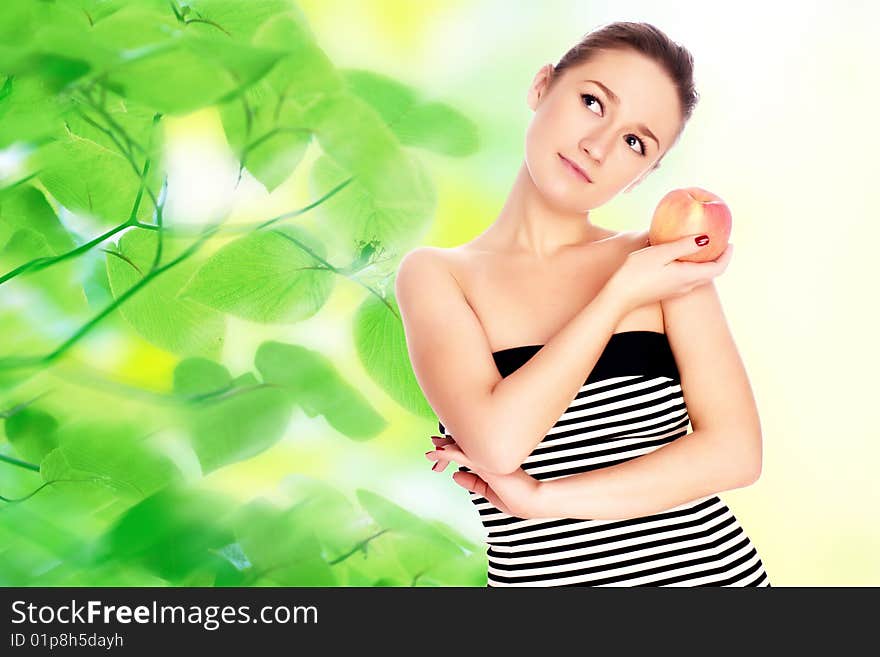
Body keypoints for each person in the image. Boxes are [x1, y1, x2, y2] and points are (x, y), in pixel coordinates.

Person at [395, 21, 771, 586]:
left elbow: (736, 455)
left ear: (646, 172)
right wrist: (616, 298)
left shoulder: (659, 262)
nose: (597, 146)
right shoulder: (437, 275)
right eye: (593, 101)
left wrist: (547, 499)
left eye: (634, 142)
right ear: (543, 86)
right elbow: (498, 444)